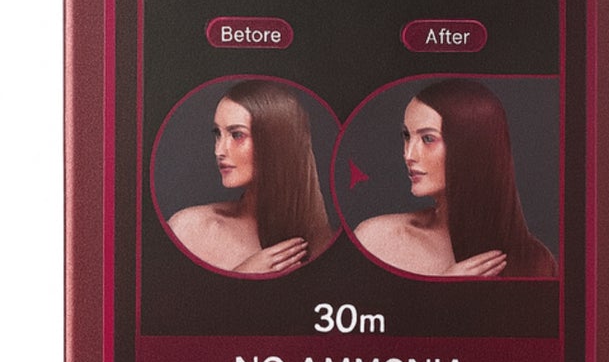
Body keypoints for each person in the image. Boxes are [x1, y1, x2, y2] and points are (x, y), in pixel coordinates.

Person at [351, 78, 556, 279]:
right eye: (407, 136)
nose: (408, 155)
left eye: (428, 138)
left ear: (472, 148)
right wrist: (442, 290)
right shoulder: (377, 239)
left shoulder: (535, 261)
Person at [166, 80, 334, 274]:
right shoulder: (190, 228)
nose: (219, 150)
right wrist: (243, 275)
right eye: (218, 134)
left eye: (237, 135)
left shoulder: (327, 244)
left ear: (276, 143)